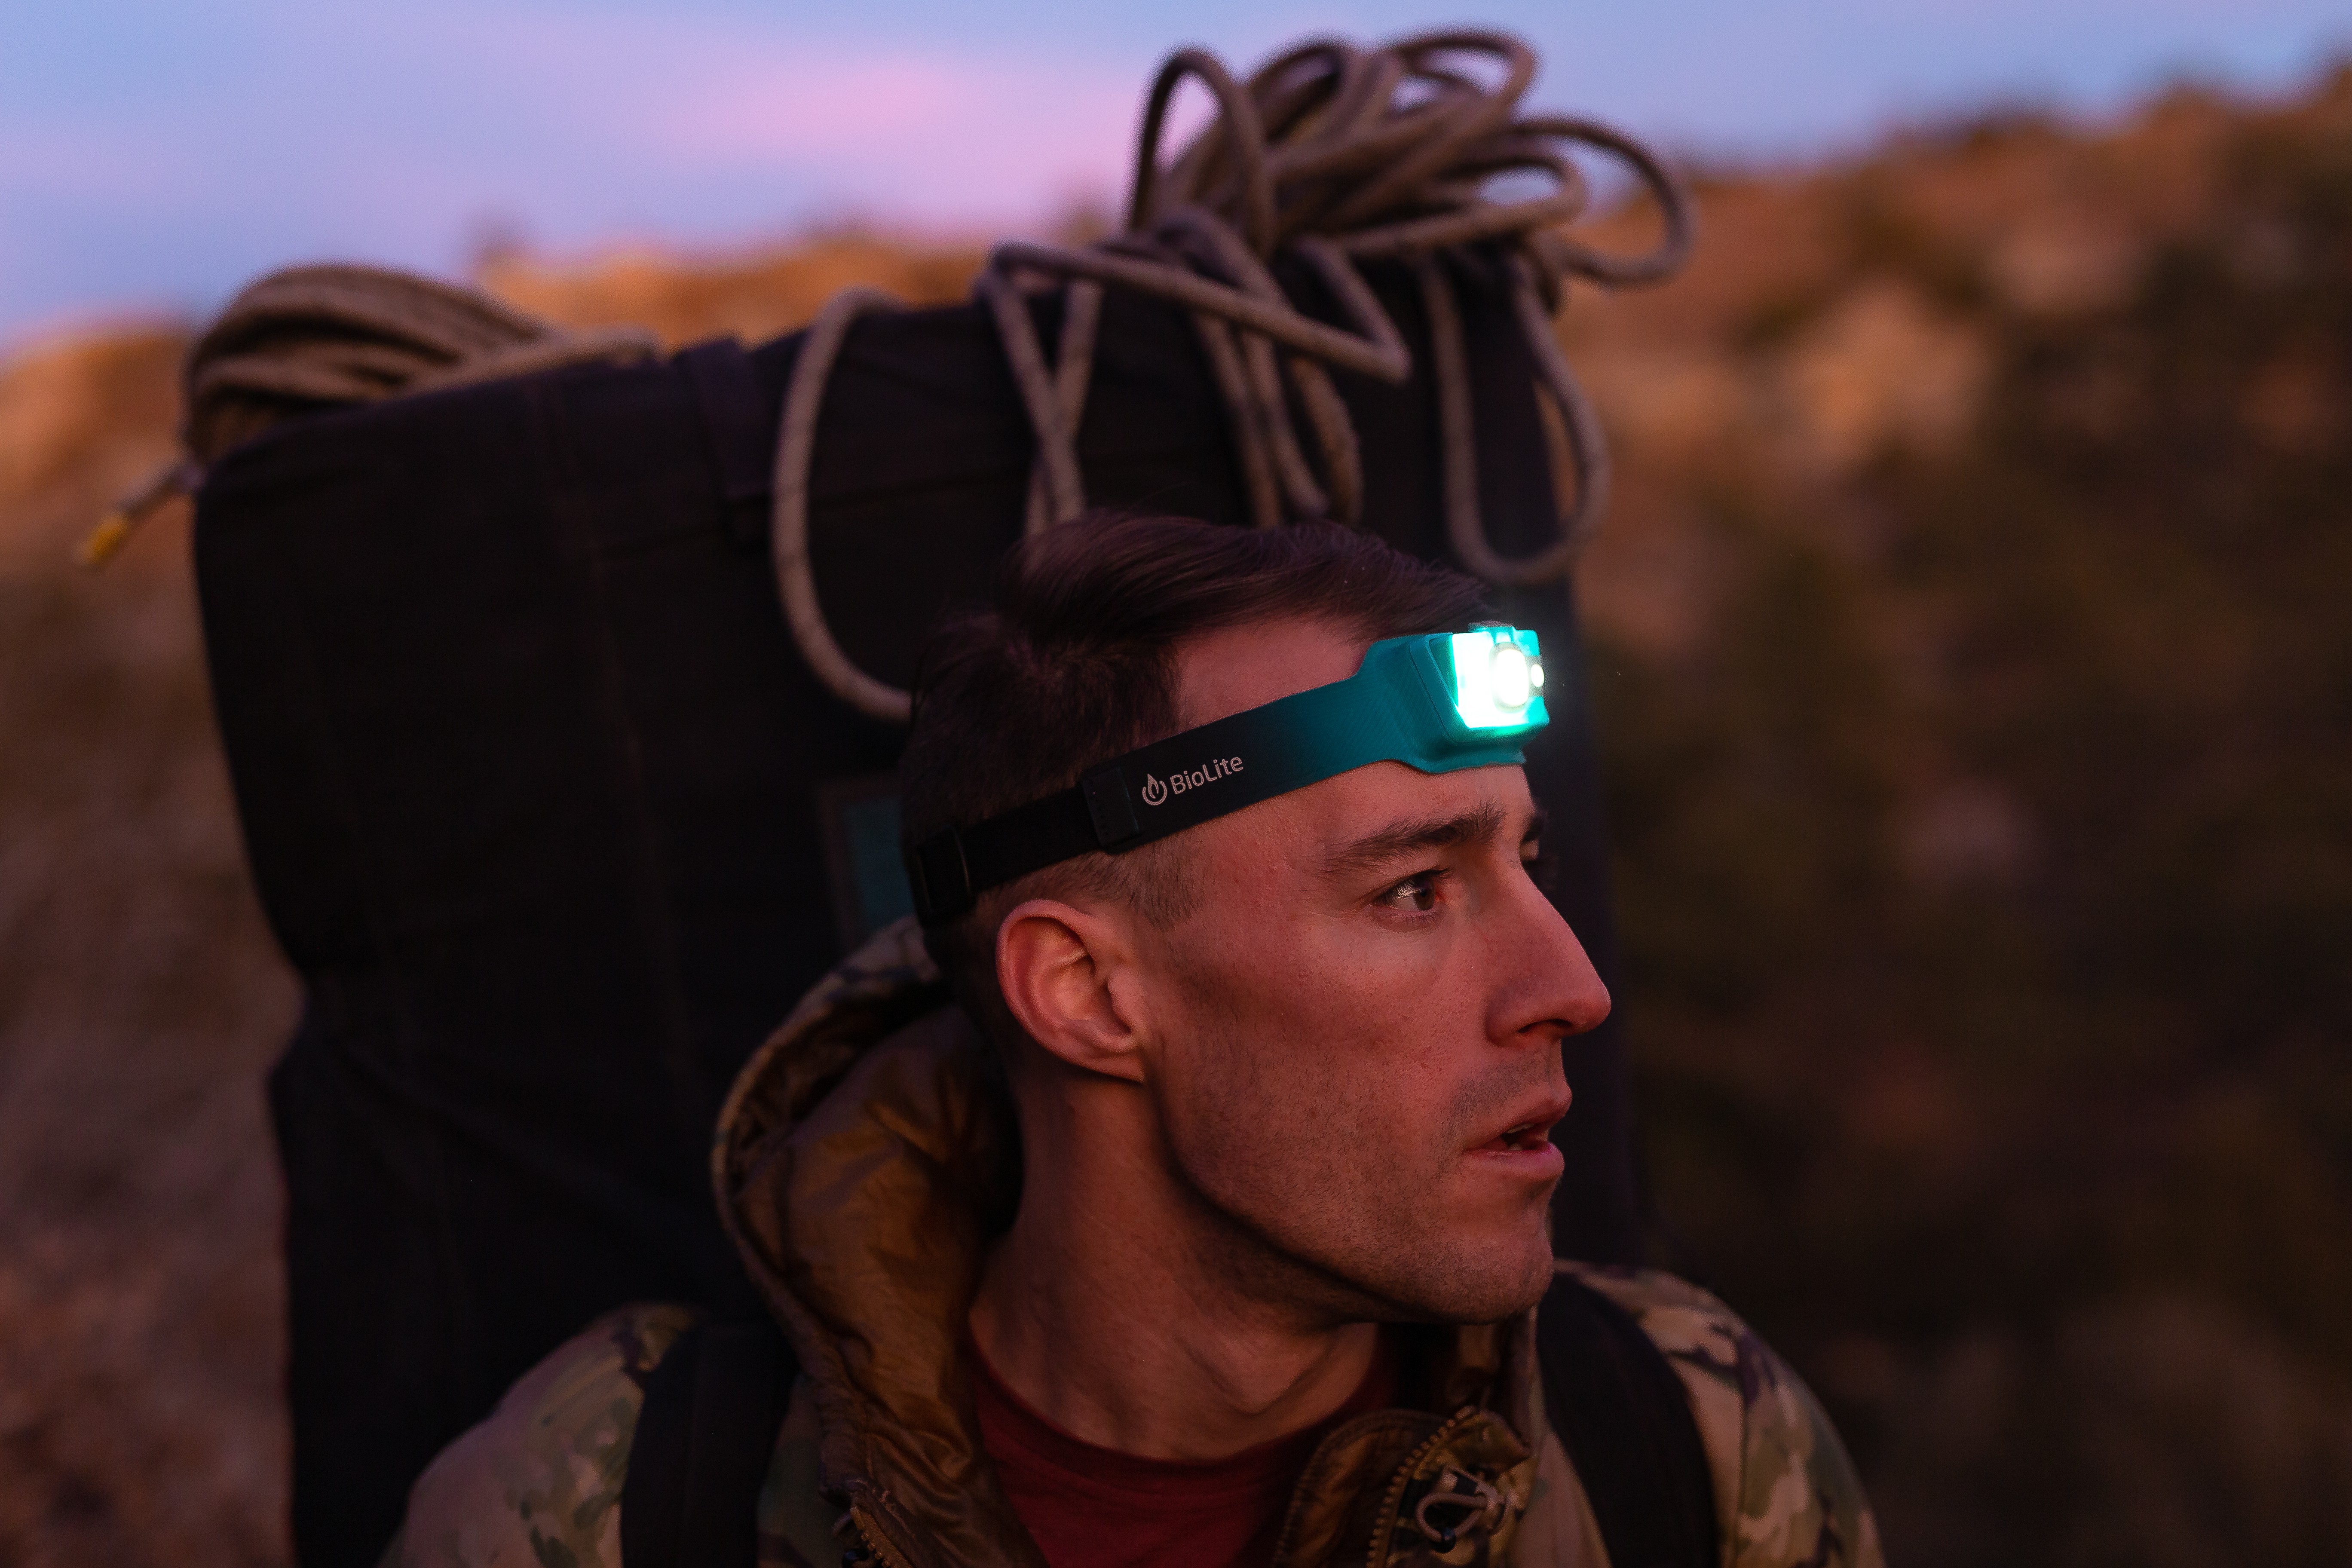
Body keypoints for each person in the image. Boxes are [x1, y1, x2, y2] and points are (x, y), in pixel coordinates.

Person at [380, 512, 1882, 1568]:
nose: (1571, 986)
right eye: (1414, 891)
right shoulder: (599, 1514)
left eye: (1526, 863)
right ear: (1088, 994)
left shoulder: (1689, 1446)